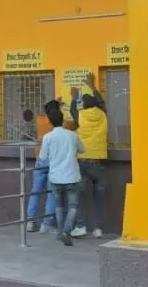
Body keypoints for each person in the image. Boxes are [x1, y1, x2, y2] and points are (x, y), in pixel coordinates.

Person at [26, 99, 77, 234]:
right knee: (51, 194)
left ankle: (30, 222)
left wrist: (55, 103)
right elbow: (75, 124)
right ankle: (47, 224)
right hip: (54, 162)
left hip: (40, 159)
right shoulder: (63, 124)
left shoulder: (41, 120)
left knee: (35, 191)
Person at [69, 73, 108, 239]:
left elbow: (72, 110)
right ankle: (98, 229)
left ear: (83, 106)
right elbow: (102, 102)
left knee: (77, 194)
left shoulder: (81, 116)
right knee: (99, 196)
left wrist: (74, 97)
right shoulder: (103, 114)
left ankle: (80, 226)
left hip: (83, 162)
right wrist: (92, 86)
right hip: (99, 162)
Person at [39, 109, 85, 246]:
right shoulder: (72, 135)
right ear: (63, 120)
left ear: (50, 122)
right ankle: (66, 231)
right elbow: (82, 149)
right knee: (73, 206)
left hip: (55, 177)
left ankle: (60, 232)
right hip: (72, 176)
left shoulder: (47, 137)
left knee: (59, 205)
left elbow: (43, 157)